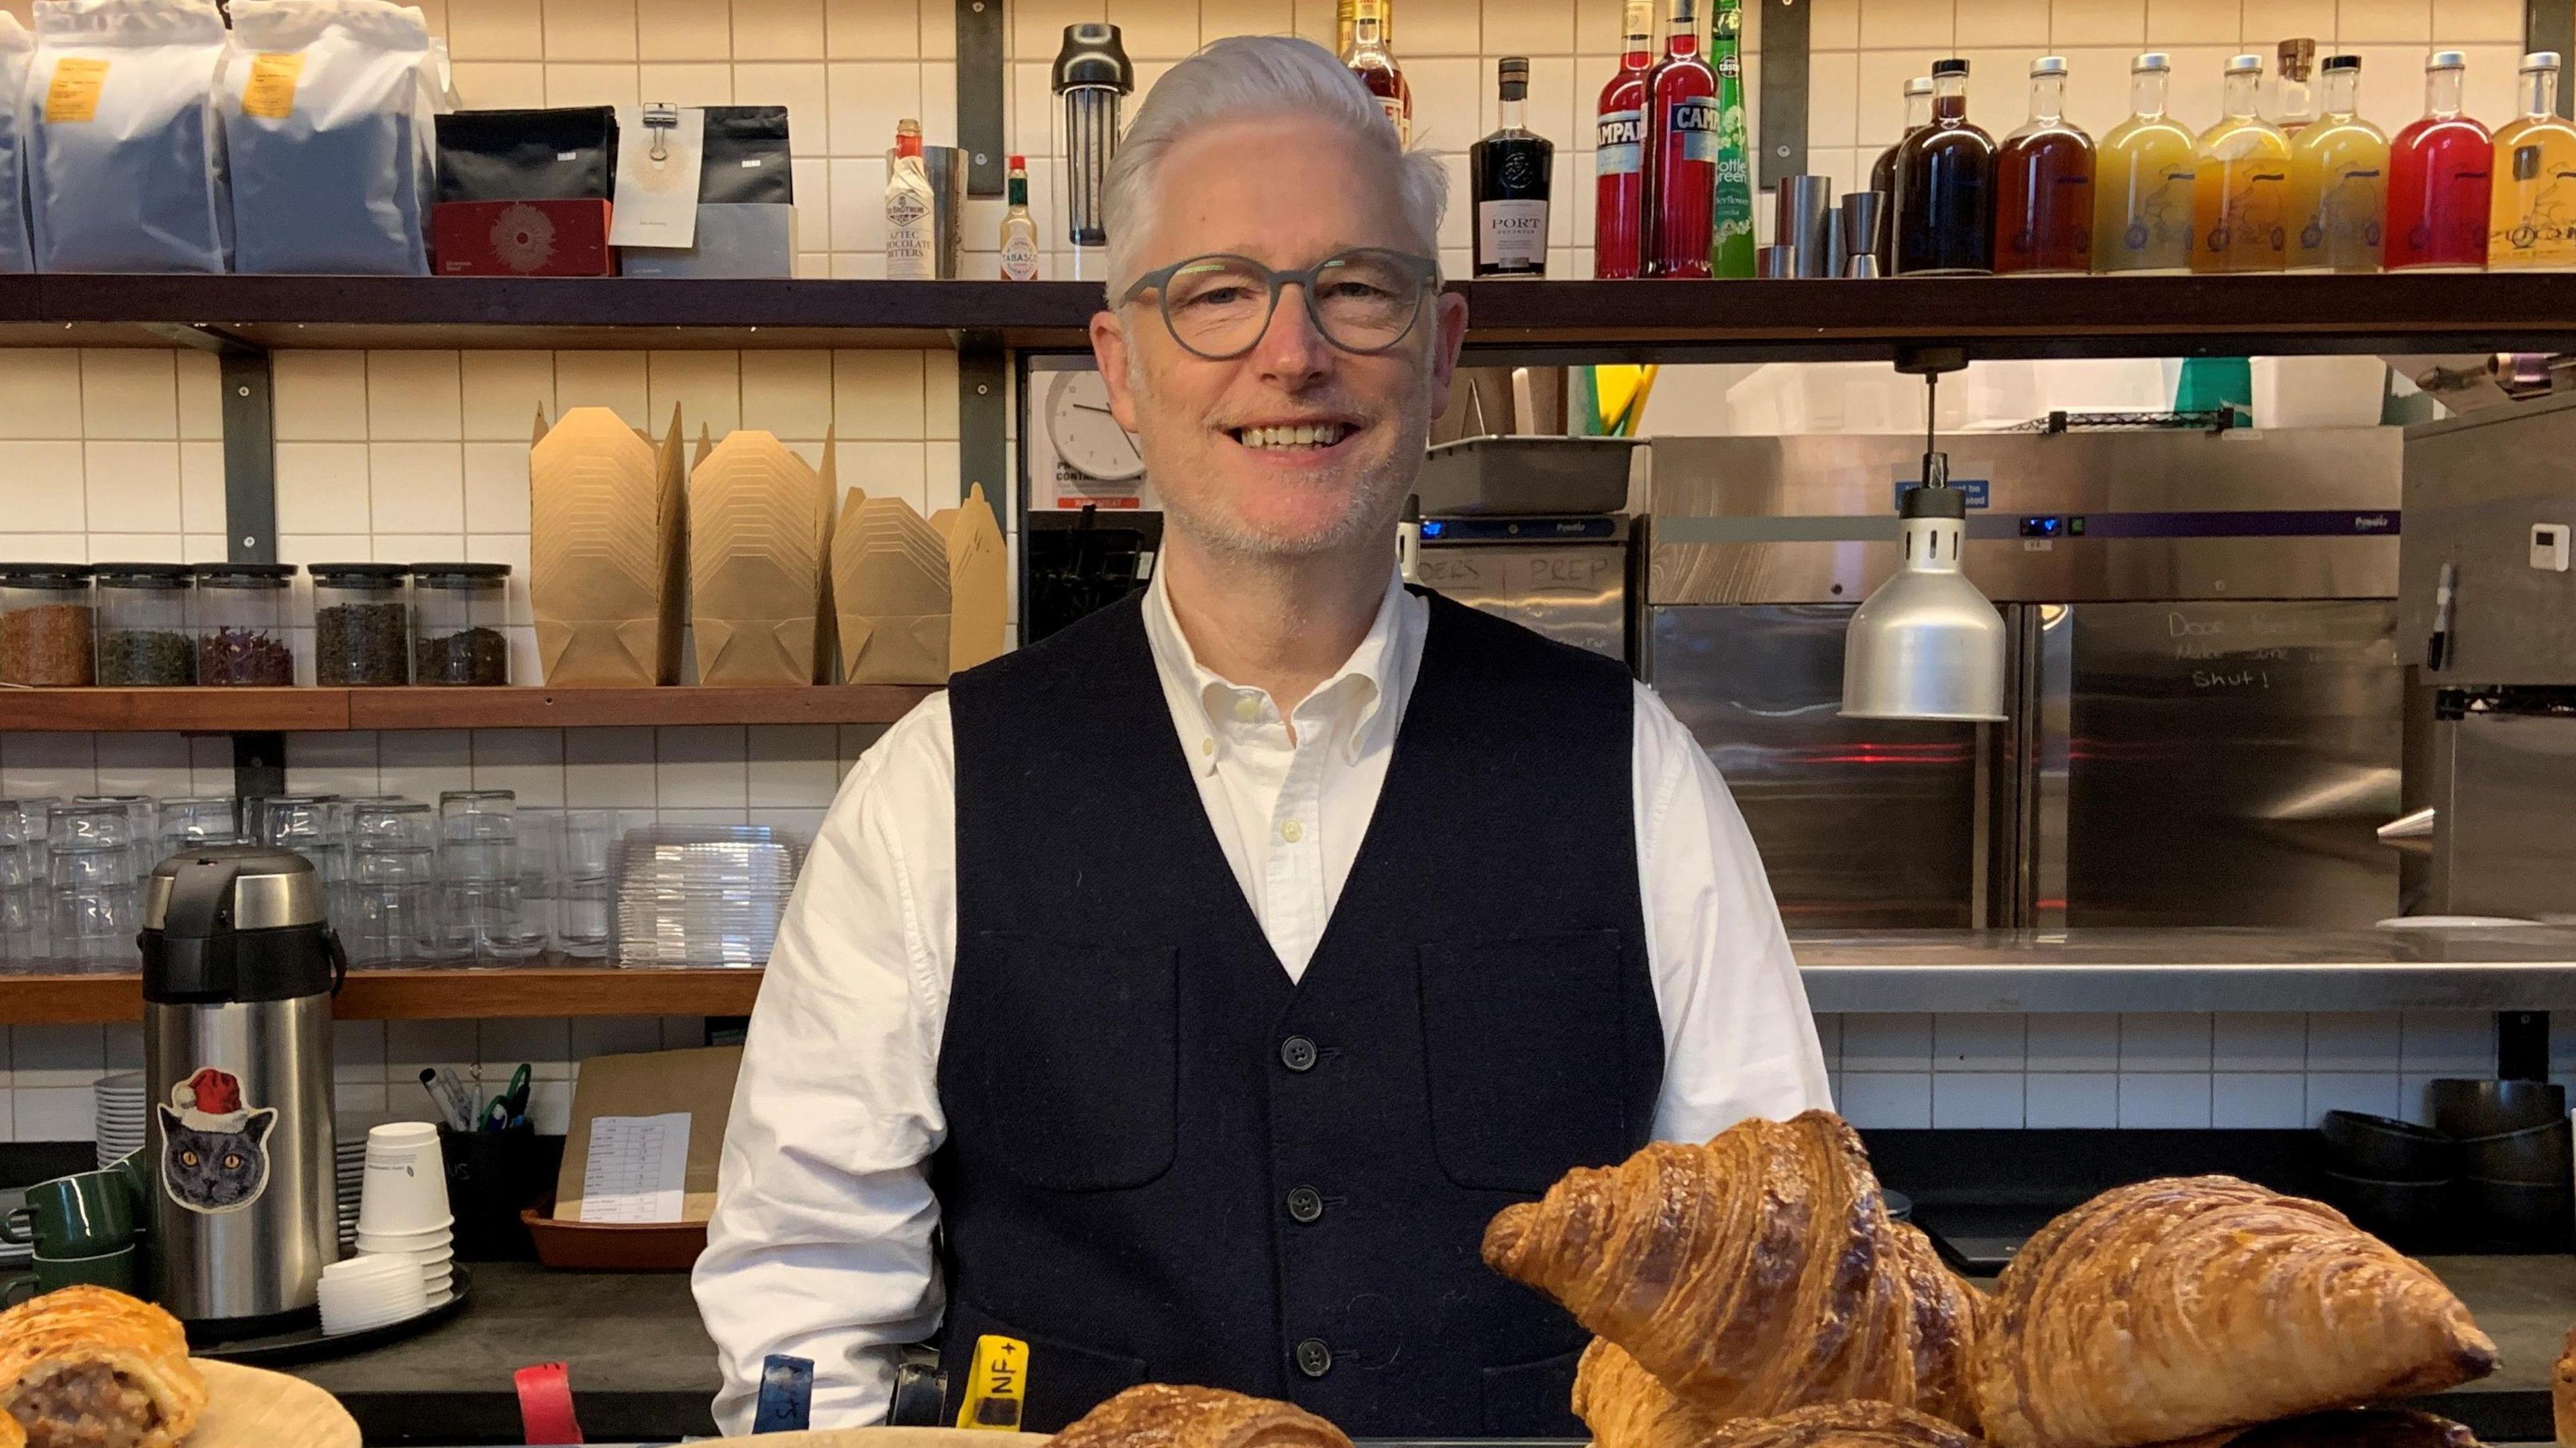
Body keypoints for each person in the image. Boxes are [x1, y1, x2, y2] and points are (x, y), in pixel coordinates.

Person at [692, 34, 1830, 1437]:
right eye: (1217, 295)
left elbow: (1781, 1289)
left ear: (1440, 350)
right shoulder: (930, 792)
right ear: (1120, 365)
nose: (1291, 356)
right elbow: (804, 1307)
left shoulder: (1634, 770)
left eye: (1356, 290)